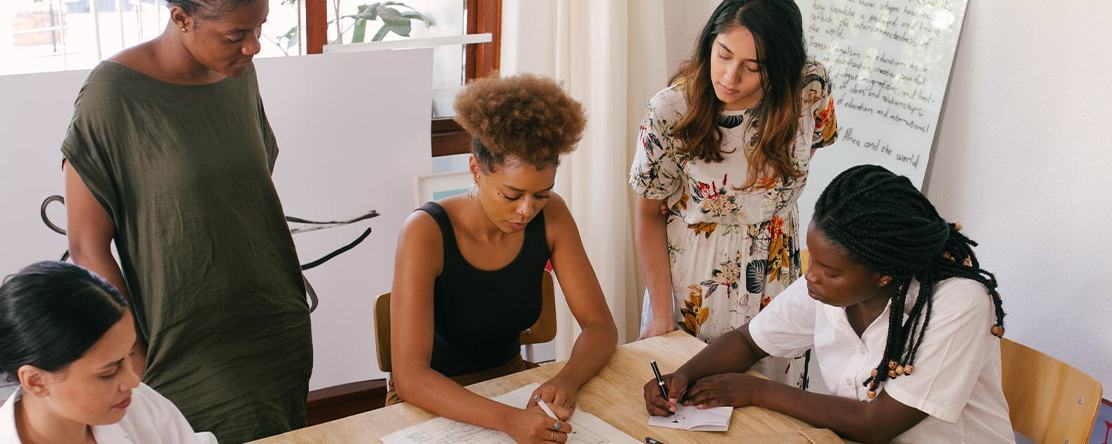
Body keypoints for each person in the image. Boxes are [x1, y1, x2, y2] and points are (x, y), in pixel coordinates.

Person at [60, 0, 311, 442]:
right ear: (181, 18)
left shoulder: (238, 72)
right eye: (236, 35)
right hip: (184, 344)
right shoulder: (112, 95)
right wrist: (131, 355)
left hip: (275, 324)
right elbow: (87, 247)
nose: (253, 46)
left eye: (260, 28)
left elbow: (241, 195)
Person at [643, 165, 1015, 444]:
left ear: (883, 274)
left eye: (829, 270)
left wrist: (757, 390)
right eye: (814, 260)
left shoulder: (958, 303)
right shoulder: (828, 288)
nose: (811, 275)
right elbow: (748, 342)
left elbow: (877, 424)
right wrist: (683, 377)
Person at [390, 73, 619, 444]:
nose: (527, 210)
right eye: (511, 195)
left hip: (513, 384)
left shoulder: (552, 216)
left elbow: (600, 325)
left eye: (541, 194)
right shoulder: (425, 232)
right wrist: (507, 420)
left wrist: (567, 379)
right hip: (431, 404)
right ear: (476, 170)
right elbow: (411, 377)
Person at [629, 0, 838, 386]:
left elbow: (812, 146)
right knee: (687, 404)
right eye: (723, 54)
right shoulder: (670, 110)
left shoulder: (810, 90)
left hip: (776, 275)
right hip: (694, 283)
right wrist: (661, 313)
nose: (729, 75)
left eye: (752, 67)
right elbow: (647, 213)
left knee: (771, 412)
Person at [0, 261, 218, 444]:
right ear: (35, 381)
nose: (133, 381)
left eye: (128, 356)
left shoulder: (138, 404)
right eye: (108, 373)